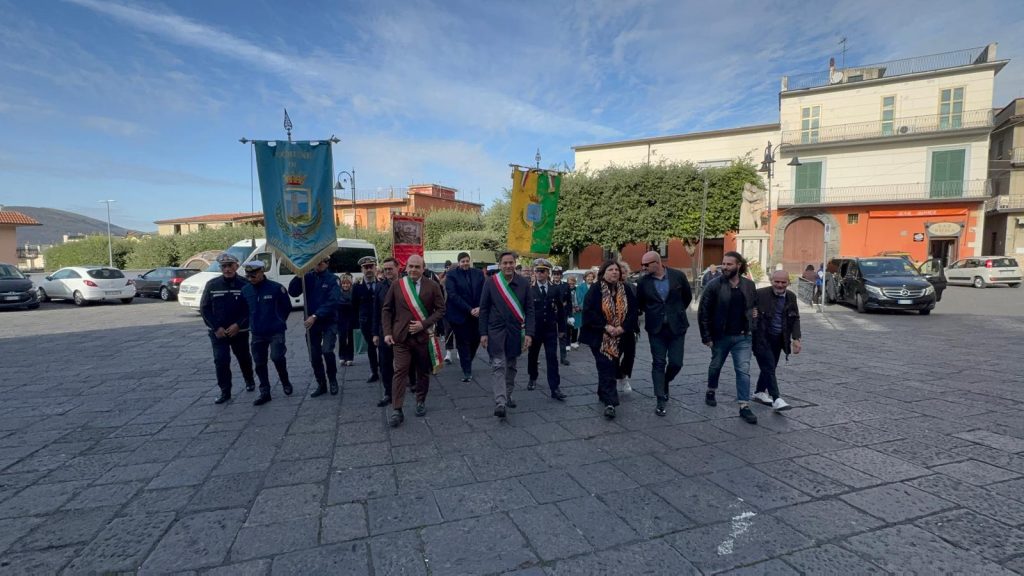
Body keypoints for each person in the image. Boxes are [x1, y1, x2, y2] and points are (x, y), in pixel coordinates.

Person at [381, 254, 446, 427]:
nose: (413, 270)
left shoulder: (432, 286)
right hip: (400, 338)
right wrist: (387, 332)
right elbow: (387, 309)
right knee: (400, 371)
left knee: (422, 372)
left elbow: (440, 310)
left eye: (417, 267)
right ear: (405, 267)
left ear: (423, 268)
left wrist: (423, 324)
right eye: (410, 266)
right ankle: (397, 409)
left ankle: (420, 401)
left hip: (423, 338)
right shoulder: (397, 285)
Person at [698, 251, 759, 424]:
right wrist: (706, 336)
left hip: (743, 337)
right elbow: (704, 312)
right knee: (716, 365)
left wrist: (753, 320)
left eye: (728, 264)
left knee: (743, 371)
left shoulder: (749, 285)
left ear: (738, 265)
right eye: (723, 264)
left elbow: (753, 306)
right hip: (720, 336)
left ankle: (744, 406)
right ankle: (711, 389)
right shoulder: (713, 285)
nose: (724, 267)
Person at [636, 251, 693, 416]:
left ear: (657, 262)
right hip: (656, 328)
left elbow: (687, 297)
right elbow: (641, 303)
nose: (644, 268)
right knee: (658, 363)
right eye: (643, 265)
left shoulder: (678, 276)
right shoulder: (643, 282)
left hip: (677, 327)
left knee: (676, 363)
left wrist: (675, 312)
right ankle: (660, 398)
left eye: (646, 265)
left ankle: (665, 381)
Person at [479, 251, 535, 419]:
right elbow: (484, 309)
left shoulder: (524, 283)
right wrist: (483, 333)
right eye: (505, 263)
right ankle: (500, 402)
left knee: (511, 365)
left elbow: (530, 310)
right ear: (500, 264)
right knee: (498, 364)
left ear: (515, 263)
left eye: (511, 262)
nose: (508, 266)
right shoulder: (491, 282)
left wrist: (529, 333)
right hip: (495, 330)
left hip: (515, 331)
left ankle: (508, 394)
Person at [580, 260, 638, 419]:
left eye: (616, 270)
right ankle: (610, 403)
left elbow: (633, 312)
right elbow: (589, 313)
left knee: (609, 366)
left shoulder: (625, 289)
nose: (614, 272)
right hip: (599, 336)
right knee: (607, 365)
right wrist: (606, 327)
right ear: (603, 273)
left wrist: (622, 327)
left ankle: (602, 391)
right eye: (610, 270)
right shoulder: (595, 289)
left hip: (620, 336)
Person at [200, 252, 255, 404]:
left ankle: (249, 380)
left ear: (236, 266)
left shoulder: (245, 284)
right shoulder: (212, 284)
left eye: (230, 266)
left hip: (239, 331)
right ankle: (225, 391)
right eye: (224, 266)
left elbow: (250, 308)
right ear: (220, 268)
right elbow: (205, 309)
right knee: (221, 360)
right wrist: (216, 327)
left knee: (244, 358)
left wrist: (239, 324)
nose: (227, 269)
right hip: (219, 333)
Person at [240, 260, 292, 405]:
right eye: (249, 276)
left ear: (262, 272)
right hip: (257, 333)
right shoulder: (246, 290)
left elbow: (286, 307)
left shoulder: (276, 288)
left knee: (277, 357)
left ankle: (285, 381)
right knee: (259, 363)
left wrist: (279, 321)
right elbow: (244, 310)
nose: (251, 278)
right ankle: (265, 391)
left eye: (254, 275)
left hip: (275, 331)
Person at [288, 255, 341, 397]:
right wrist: (299, 275)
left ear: (327, 263)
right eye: (316, 262)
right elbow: (292, 292)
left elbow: (333, 301)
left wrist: (316, 315)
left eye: (321, 262)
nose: (318, 265)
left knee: (327, 351)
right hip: (312, 324)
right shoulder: (307, 277)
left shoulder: (333, 279)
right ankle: (321, 384)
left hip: (328, 321)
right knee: (314, 355)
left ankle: (333, 380)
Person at [751, 271, 800, 411]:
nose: (779, 285)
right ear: (771, 280)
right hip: (760, 337)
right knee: (768, 366)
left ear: (788, 283)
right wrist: (752, 314)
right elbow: (745, 309)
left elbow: (795, 318)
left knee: (770, 367)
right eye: (776, 282)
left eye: (783, 282)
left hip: (779, 338)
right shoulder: (760, 294)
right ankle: (776, 398)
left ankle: (759, 392)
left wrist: (796, 338)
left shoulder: (791, 296)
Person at [526, 259, 568, 401]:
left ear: (547, 273)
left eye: (542, 271)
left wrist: (562, 328)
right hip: (534, 330)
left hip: (550, 329)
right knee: (533, 356)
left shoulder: (554, 289)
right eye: (537, 271)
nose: (539, 273)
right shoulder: (529, 288)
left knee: (552, 358)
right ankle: (532, 377)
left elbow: (561, 310)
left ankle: (555, 388)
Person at [445, 252, 485, 382]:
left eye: (467, 260)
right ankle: (466, 369)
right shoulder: (451, 275)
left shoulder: (478, 273)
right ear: (459, 262)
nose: (465, 263)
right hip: (460, 315)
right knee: (463, 343)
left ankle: (468, 360)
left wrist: (479, 307)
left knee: (475, 340)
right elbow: (453, 295)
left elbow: (484, 292)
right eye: (463, 261)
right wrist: (469, 309)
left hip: (477, 314)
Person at [370, 258, 400, 407]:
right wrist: (375, 333)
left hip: (403, 330)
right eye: (385, 269)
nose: (388, 271)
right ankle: (388, 392)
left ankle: (412, 383)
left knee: (406, 361)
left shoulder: (406, 284)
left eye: (390, 268)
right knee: (385, 363)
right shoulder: (379, 287)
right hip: (385, 331)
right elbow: (376, 311)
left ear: (398, 268)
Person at [353, 256, 381, 383]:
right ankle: (374, 371)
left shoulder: (382, 284)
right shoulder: (357, 286)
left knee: (384, 346)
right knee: (371, 347)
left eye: (371, 267)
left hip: (381, 321)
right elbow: (354, 306)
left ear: (375, 268)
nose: (369, 270)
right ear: (362, 269)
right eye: (366, 267)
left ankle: (385, 369)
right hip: (366, 322)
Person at [615, 261, 638, 395]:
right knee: (615, 355)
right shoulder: (610, 287)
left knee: (630, 354)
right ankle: (618, 376)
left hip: (629, 327)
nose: (622, 275)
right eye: (620, 272)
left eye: (624, 272)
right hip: (614, 327)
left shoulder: (632, 287)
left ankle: (623, 376)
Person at [550, 267, 571, 366]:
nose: (556, 276)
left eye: (558, 274)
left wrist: (570, 315)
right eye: (554, 274)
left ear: (561, 275)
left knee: (563, 335)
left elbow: (569, 301)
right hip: (552, 314)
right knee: (552, 336)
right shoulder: (549, 285)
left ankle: (563, 357)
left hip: (563, 313)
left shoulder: (566, 286)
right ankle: (553, 357)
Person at [337, 274, 356, 366]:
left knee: (351, 339)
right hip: (341, 319)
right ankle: (342, 356)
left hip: (351, 318)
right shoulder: (338, 293)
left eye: (347, 283)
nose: (345, 285)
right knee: (342, 339)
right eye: (343, 283)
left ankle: (350, 357)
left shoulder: (353, 292)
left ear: (350, 283)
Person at [567, 275, 583, 349]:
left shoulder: (577, 289)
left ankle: (574, 341)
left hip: (575, 309)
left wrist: (577, 307)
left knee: (575, 326)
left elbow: (578, 299)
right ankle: (568, 341)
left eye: (573, 283)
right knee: (568, 326)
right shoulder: (566, 289)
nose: (571, 285)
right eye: (570, 283)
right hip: (568, 310)